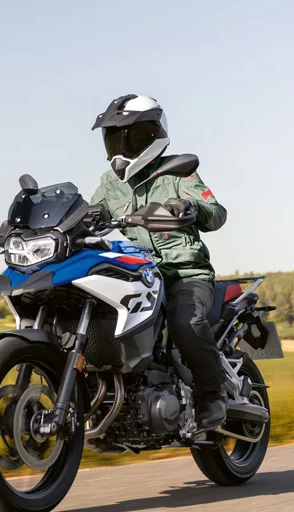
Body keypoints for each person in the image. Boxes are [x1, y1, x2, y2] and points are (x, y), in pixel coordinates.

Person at [89, 94, 229, 433]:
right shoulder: (110, 183)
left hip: (183, 274)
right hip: (135, 273)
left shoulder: (180, 171)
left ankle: (213, 396)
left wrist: (191, 209)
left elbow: (217, 214)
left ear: (151, 136)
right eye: (114, 139)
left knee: (186, 322)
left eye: (130, 138)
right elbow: (90, 214)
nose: (120, 149)